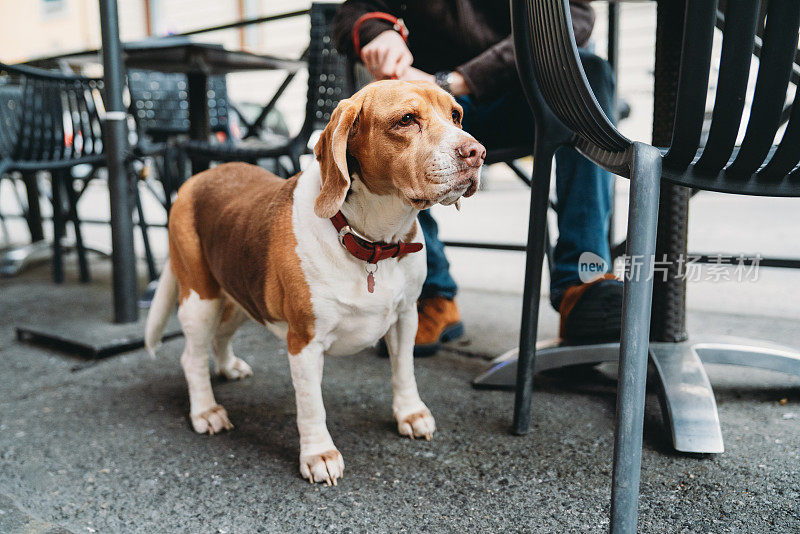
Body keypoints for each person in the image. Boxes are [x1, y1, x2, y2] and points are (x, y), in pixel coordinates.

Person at [333, 1, 623, 356]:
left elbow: (573, 19)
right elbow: (354, 11)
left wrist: (460, 81)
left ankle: (583, 286)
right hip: (433, 104)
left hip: (523, 96)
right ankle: (431, 295)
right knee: (402, 133)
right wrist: (380, 32)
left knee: (589, 74)